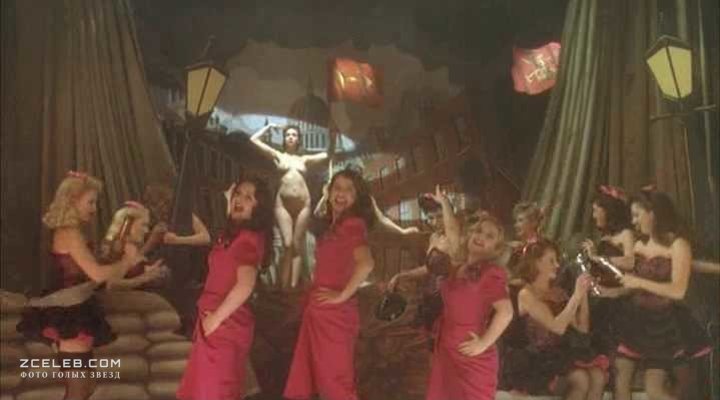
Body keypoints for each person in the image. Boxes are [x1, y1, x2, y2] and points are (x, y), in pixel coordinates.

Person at [16, 171, 143, 400]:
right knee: (79, 391)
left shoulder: (72, 232)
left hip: (76, 310)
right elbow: (97, 274)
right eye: (90, 202)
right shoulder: (70, 233)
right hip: (70, 314)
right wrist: (127, 261)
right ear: (72, 201)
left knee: (86, 387)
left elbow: (95, 274)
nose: (94, 209)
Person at [177, 175, 273, 400]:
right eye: (238, 194)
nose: (239, 199)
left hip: (224, 325)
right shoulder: (235, 235)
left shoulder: (247, 240)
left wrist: (215, 319)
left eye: (248, 197)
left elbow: (245, 285)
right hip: (216, 323)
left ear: (259, 208)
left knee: (213, 391)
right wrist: (230, 201)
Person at [284, 168, 376, 400]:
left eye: (348, 189)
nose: (341, 194)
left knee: (336, 385)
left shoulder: (353, 224)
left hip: (334, 317)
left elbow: (366, 264)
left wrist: (341, 296)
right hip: (319, 313)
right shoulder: (335, 226)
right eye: (337, 188)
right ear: (329, 191)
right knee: (319, 382)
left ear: (357, 196)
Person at [612, 189, 710, 400]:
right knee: (620, 381)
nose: (633, 221)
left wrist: (639, 282)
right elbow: (631, 285)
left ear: (653, 214)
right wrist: (608, 291)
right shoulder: (639, 244)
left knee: (654, 390)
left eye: (637, 215)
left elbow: (678, 290)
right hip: (634, 321)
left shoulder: (679, 245)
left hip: (663, 325)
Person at [425, 196, 514, 400]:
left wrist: (483, 343)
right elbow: (452, 231)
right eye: (478, 231)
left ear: (496, 249)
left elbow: (506, 312)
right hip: (446, 351)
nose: (481, 236)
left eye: (489, 236)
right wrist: (444, 203)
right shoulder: (459, 264)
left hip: (471, 359)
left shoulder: (491, 273)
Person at [506, 239, 608, 400]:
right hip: (535, 359)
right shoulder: (526, 294)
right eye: (551, 261)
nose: (557, 265)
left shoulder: (558, 292)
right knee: (581, 379)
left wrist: (583, 295)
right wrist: (576, 296)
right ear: (537, 263)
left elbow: (582, 328)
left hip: (558, 355)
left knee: (598, 376)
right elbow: (557, 327)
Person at [250, 123, 337, 289]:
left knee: (297, 244)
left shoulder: (304, 159)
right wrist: (268, 127)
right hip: (282, 204)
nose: (290, 137)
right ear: (284, 139)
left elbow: (328, 155)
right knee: (288, 243)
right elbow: (254, 140)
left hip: (303, 204)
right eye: (288, 135)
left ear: (298, 140)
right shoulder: (277, 155)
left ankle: (292, 285)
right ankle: (283, 285)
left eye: (294, 135)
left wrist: (332, 139)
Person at [387, 188, 454, 338]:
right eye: (430, 218)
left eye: (439, 216)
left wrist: (444, 202)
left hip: (449, 301)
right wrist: (402, 275)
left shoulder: (455, 238)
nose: (435, 222)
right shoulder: (434, 238)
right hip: (429, 298)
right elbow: (429, 268)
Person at [578, 185, 635, 355]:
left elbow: (630, 262)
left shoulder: (626, 234)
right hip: (601, 294)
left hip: (618, 298)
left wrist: (598, 257)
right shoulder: (605, 237)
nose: (594, 215)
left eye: (596, 210)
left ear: (608, 211)